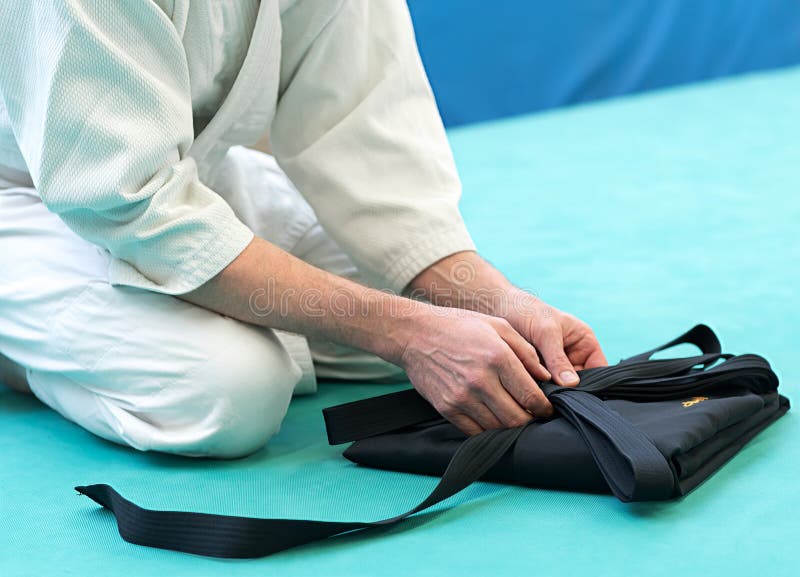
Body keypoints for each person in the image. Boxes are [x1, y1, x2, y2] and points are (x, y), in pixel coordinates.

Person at [0, 0, 607, 458]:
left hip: (183, 171)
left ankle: (216, 317)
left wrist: (488, 297)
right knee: (231, 389)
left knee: (462, 328)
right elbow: (128, 205)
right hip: (32, 198)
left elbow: (368, 131)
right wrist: (405, 334)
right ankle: (22, 343)